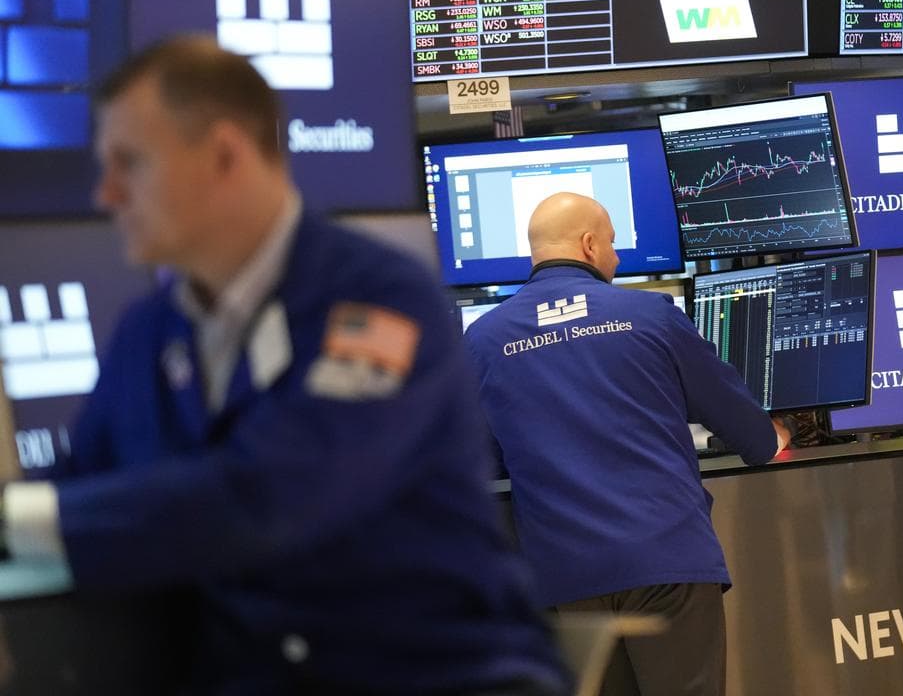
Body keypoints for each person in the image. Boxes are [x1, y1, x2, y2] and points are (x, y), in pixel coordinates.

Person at [0, 36, 569, 695]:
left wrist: (18, 525)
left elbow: (270, 498)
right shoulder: (148, 334)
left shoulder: (379, 302)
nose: (105, 194)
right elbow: (77, 490)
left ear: (223, 155)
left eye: (129, 163)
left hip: (431, 675)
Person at [463, 192, 788, 696]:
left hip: (562, 577)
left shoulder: (483, 341)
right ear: (590, 245)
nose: (616, 258)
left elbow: (479, 469)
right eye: (613, 244)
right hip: (667, 560)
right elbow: (749, 432)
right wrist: (775, 435)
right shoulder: (652, 315)